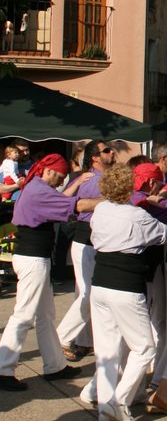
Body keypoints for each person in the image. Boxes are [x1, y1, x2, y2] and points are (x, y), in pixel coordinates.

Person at [88, 164, 167, 421]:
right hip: (124, 286)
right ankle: (119, 400)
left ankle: (107, 406)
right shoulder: (136, 216)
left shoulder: (101, 209)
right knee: (144, 348)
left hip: (101, 284)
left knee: (107, 348)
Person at [0, 154, 99, 390]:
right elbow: (77, 205)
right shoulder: (38, 190)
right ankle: (3, 369)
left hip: (35, 257)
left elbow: (62, 199)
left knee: (45, 315)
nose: (61, 181)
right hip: (33, 259)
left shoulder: (35, 186)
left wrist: (76, 183)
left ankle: (54, 365)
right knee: (24, 315)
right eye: (61, 177)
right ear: (49, 171)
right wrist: (110, 199)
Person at [57, 139, 116, 361]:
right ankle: (62, 336)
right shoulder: (95, 180)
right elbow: (76, 205)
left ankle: (84, 340)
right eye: (107, 150)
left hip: (90, 242)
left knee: (84, 293)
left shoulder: (98, 178)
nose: (112, 153)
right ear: (95, 157)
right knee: (87, 294)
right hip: (86, 241)